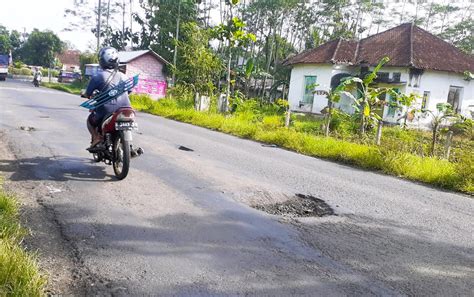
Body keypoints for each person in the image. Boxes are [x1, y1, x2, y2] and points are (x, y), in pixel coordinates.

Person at [84, 47, 131, 150]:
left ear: (101, 61)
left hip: (106, 111)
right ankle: (129, 146)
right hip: (127, 109)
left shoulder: (97, 77)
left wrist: (86, 94)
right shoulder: (124, 77)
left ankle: (97, 138)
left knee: (90, 120)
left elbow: (88, 93)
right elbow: (129, 91)